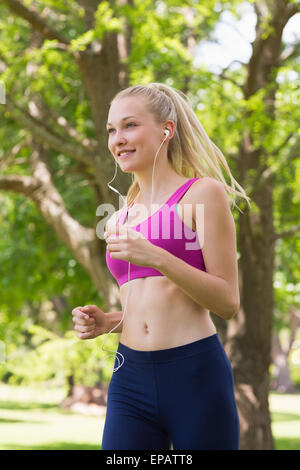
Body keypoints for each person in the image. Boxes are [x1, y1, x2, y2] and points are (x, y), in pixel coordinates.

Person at [71, 83, 251, 450]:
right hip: (129, 376)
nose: (118, 139)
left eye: (130, 126)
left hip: (194, 373)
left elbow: (227, 301)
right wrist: (110, 321)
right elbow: (151, 300)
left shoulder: (202, 194)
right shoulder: (121, 216)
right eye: (111, 130)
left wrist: (157, 256)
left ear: (166, 130)